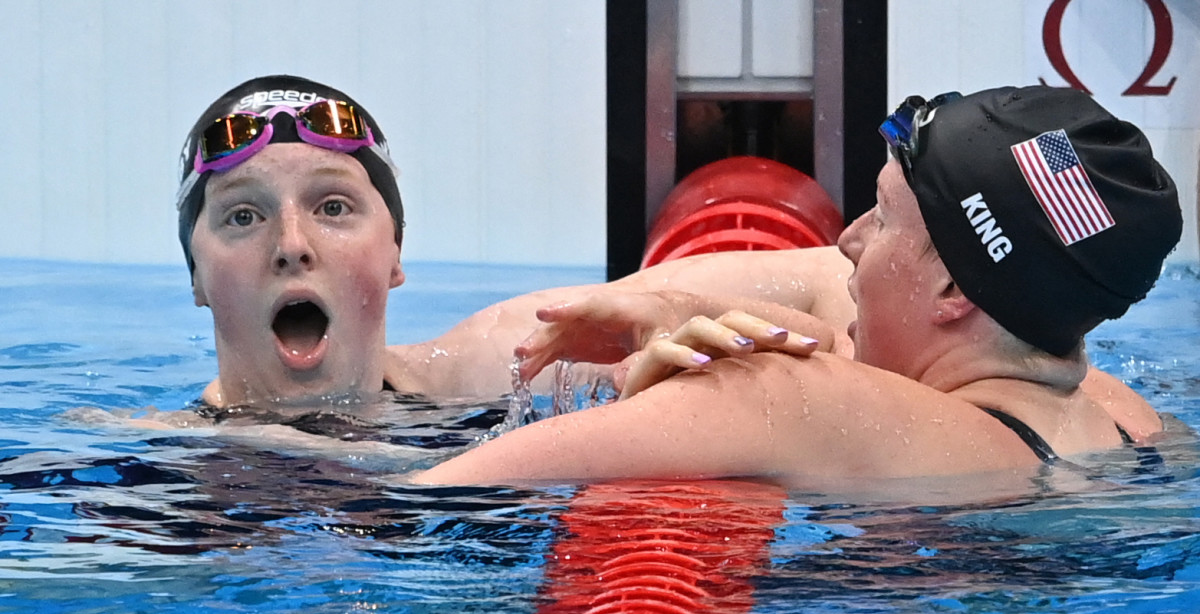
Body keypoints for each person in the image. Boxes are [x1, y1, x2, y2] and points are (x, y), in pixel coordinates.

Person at [414, 85, 1183, 486]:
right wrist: (683, 311)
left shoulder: (781, 399)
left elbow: (430, 495)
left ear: (953, 288)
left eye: (881, 220)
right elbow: (855, 362)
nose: (845, 241)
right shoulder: (1126, 417)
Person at [171, 74, 843, 414]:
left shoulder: (508, 361)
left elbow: (836, 280)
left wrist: (677, 307)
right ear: (196, 276)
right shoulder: (148, 481)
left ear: (396, 254)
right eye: (241, 217)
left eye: (334, 206)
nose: (292, 244)